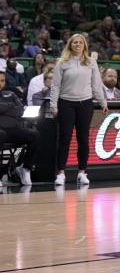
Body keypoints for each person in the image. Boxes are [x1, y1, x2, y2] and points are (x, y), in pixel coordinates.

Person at [50, 34, 108, 186]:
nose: (77, 45)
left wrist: (102, 102)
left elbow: (96, 85)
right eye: (75, 42)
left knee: (83, 140)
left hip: (85, 104)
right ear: (70, 45)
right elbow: (55, 86)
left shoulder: (91, 63)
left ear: (84, 45)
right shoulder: (62, 62)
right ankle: (61, 173)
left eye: (80, 42)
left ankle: (82, 172)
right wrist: (53, 105)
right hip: (66, 103)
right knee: (64, 139)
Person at [0, 72, 40, 185]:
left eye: (2, 80)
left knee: (34, 135)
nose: (0, 83)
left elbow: (21, 110)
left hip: (13, 128)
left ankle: (25, 168)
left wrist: (4, 109)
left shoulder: (11, 94)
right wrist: (10, 107)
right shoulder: (10, 100)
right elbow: (14, 109)